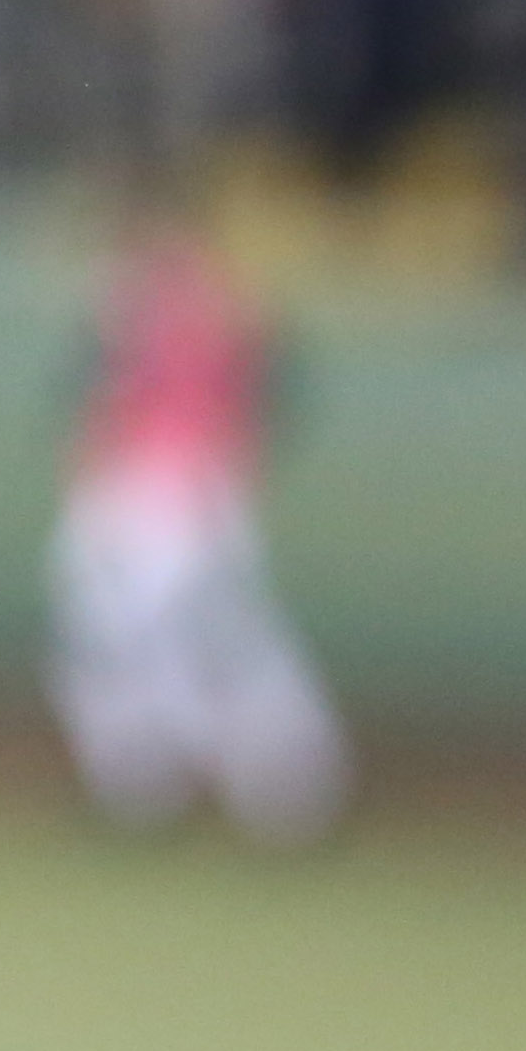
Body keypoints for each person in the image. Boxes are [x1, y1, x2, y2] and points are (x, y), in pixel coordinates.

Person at [46, 235, 350, 843]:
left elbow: (259, 405)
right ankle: (157, 785)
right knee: (136, 647)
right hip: (143, 495)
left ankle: (277, 786)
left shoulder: (210, 314)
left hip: (180, 499)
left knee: (191, 648)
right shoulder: (165, 314)